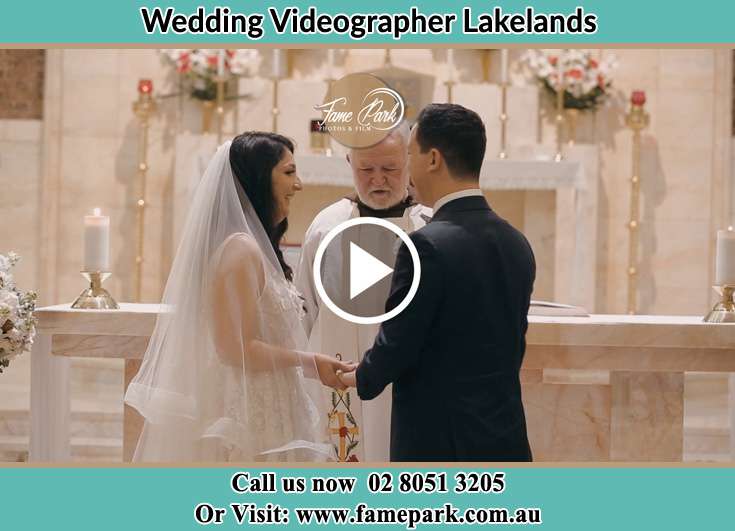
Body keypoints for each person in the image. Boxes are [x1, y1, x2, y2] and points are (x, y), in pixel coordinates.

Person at [125, 132, 353, 462]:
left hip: (270, 399)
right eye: (288, 172)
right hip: (246, 409)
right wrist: (310, 362)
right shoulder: (240, 251)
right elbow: (235, 349)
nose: (298, 184)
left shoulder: (253, 246)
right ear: (260, 178)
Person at [340, 104, 536, 461]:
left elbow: (398, 341)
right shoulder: (516, 241)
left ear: (432, 159)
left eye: (410, 154)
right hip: (505, 436)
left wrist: (362, 376)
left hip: (439, 441)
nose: (409, 167)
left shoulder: (426, 245)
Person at [294, 123, 431, 462]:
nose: (378, 179)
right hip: (341, 380)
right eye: (366, 169)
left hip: (414, 383)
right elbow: (304, 308)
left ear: (409, 163)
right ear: (348, 164)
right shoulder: (327, 226)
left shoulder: (430, 226)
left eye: (390, 169)